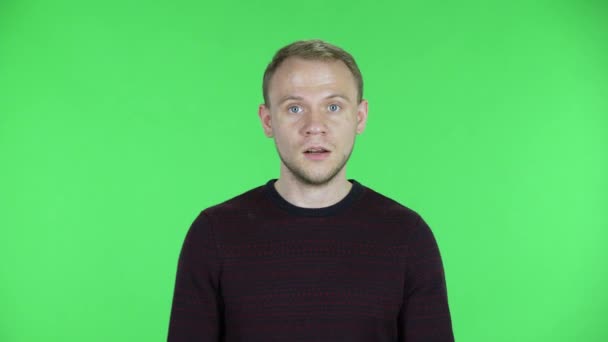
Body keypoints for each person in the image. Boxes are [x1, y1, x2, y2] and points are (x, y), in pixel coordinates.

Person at [167, 39, 454, 341]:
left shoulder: (407, 236)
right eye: (294, 108)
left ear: (360, 116)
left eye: (333, 106)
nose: (314, 125)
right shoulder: (213, 234)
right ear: (267, 121)